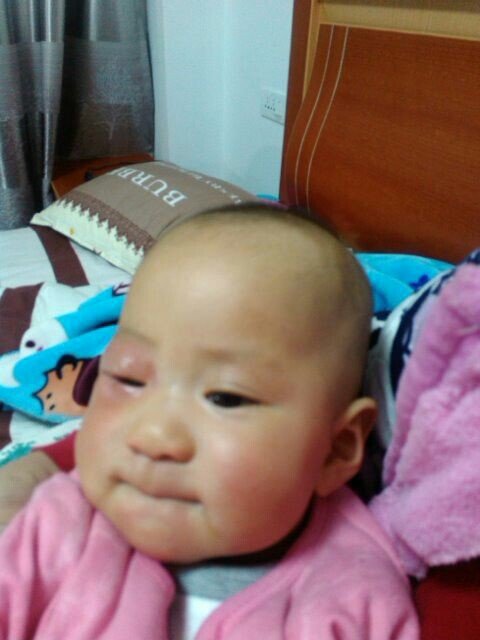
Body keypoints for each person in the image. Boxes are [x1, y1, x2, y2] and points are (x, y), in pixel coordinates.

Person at [0, 204, 419, 639]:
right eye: (128, 378)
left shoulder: (355, 601)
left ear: (335, 450)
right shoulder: (58, 523)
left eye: (226, 397)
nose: (153, 434)